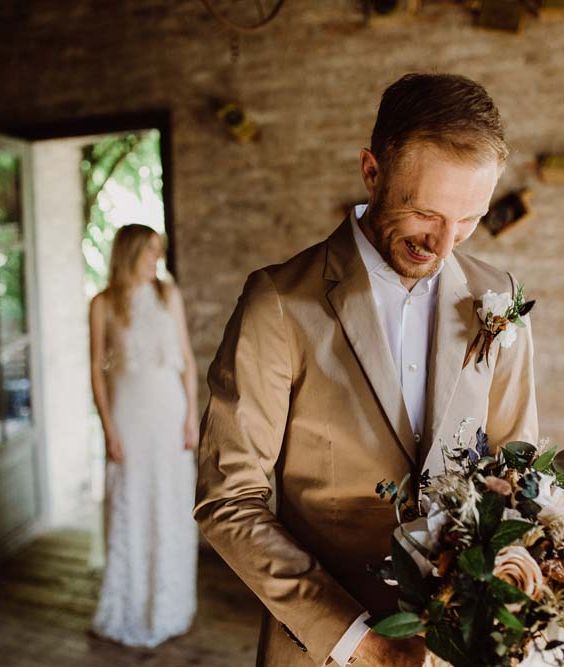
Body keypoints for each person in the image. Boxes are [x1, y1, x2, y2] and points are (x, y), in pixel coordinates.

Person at [194, 73, 538, 666]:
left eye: (469, 219)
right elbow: (230, 499)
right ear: (372, 171)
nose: (445, 243)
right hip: (322, 647)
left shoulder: (498, 297)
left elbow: (517, 461)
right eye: (425, 213)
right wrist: (362, 645)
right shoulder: (279, 302)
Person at [89, 223, 199, 648]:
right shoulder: (102, 303)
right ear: (130, 252)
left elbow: (187, 360)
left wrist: (191, 416)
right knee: (130, 505)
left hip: (169, 413)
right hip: (128, 416)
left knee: (168, 505)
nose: (157, 259)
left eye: (159, 252)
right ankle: (130, 606)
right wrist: (108, 429)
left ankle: (169, 604)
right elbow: (96, 373)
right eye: (150, 252)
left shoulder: (168, 295)